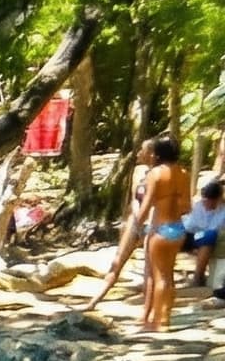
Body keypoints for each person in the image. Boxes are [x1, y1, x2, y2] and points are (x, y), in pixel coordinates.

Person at [85, 139, 156, 310]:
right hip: (136, 221)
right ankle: (94, 301)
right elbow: (134, 199)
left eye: (142, 150)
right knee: (117, 261)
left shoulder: (162, 174)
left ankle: (148, 311)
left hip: (154, 224)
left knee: (150, 268)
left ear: (152, 154)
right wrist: (133, 222)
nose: (138, 153)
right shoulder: (139, 171)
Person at [138, 134, 192, 332]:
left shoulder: (156, 174)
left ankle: (158, 322)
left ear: (158, 153)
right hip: (178, 229)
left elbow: (146, 204)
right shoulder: (184, 174)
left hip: (160, 229)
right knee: (169, 276)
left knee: (159, 276)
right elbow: (187, 207)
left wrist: (137, 225)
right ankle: (166, 318)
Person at [183, 174, 225, 291]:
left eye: (210, 202)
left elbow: (213, 229)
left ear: (218, 200)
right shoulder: (199, 206)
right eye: (205, 201)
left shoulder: (222, 212)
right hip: (193, 234)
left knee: (209, 236)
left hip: (207, 237)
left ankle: (198, 276)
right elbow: (190, 225)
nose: (206, 205)